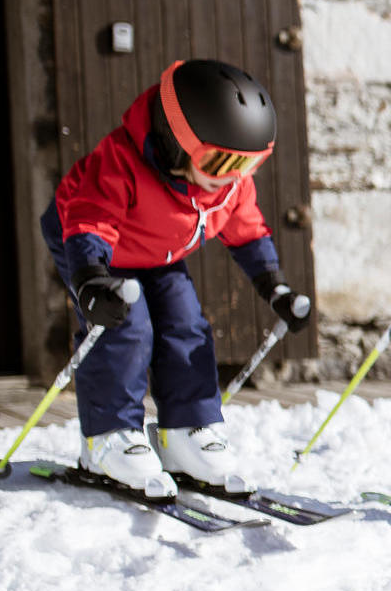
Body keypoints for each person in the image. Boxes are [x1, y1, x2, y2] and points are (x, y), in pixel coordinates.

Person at [40, 59, 310, 497]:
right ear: (175, 143)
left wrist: (273, 285)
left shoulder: (230, 185)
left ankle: (187, 431)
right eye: (221, 162)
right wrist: (90, 277)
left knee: (186, 325)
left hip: (157, 250)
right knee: (125, 328)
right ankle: (109, 438)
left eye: (249, 164)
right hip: (92, 242)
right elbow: (91, 220)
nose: (234, 178)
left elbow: (246, 229)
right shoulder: (120, 163)